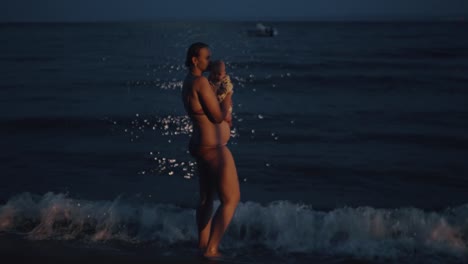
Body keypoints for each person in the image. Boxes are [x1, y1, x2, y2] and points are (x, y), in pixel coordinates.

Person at [181, 42, 240, 259]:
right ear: (195, 60)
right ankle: (212, 249)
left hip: (200, 145)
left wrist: (217, 88)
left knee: (206, 199)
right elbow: (217, 116)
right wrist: (229, 93)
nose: (209, 60)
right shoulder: (200, 82)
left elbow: (206, 109)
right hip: (213, 148)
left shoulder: (189, 81)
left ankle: (202, 244)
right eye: (206, 57)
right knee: (231, 199)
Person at [208, 60, 234, 128]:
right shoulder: (210, 79)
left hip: (223, 99)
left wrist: (219, 90)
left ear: (224, 74)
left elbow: (227, 89)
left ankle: (229, 122)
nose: (216, 76)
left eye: (219, 74)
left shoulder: (225, 80)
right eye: (214, 73)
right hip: (218, 102)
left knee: (227, 115)